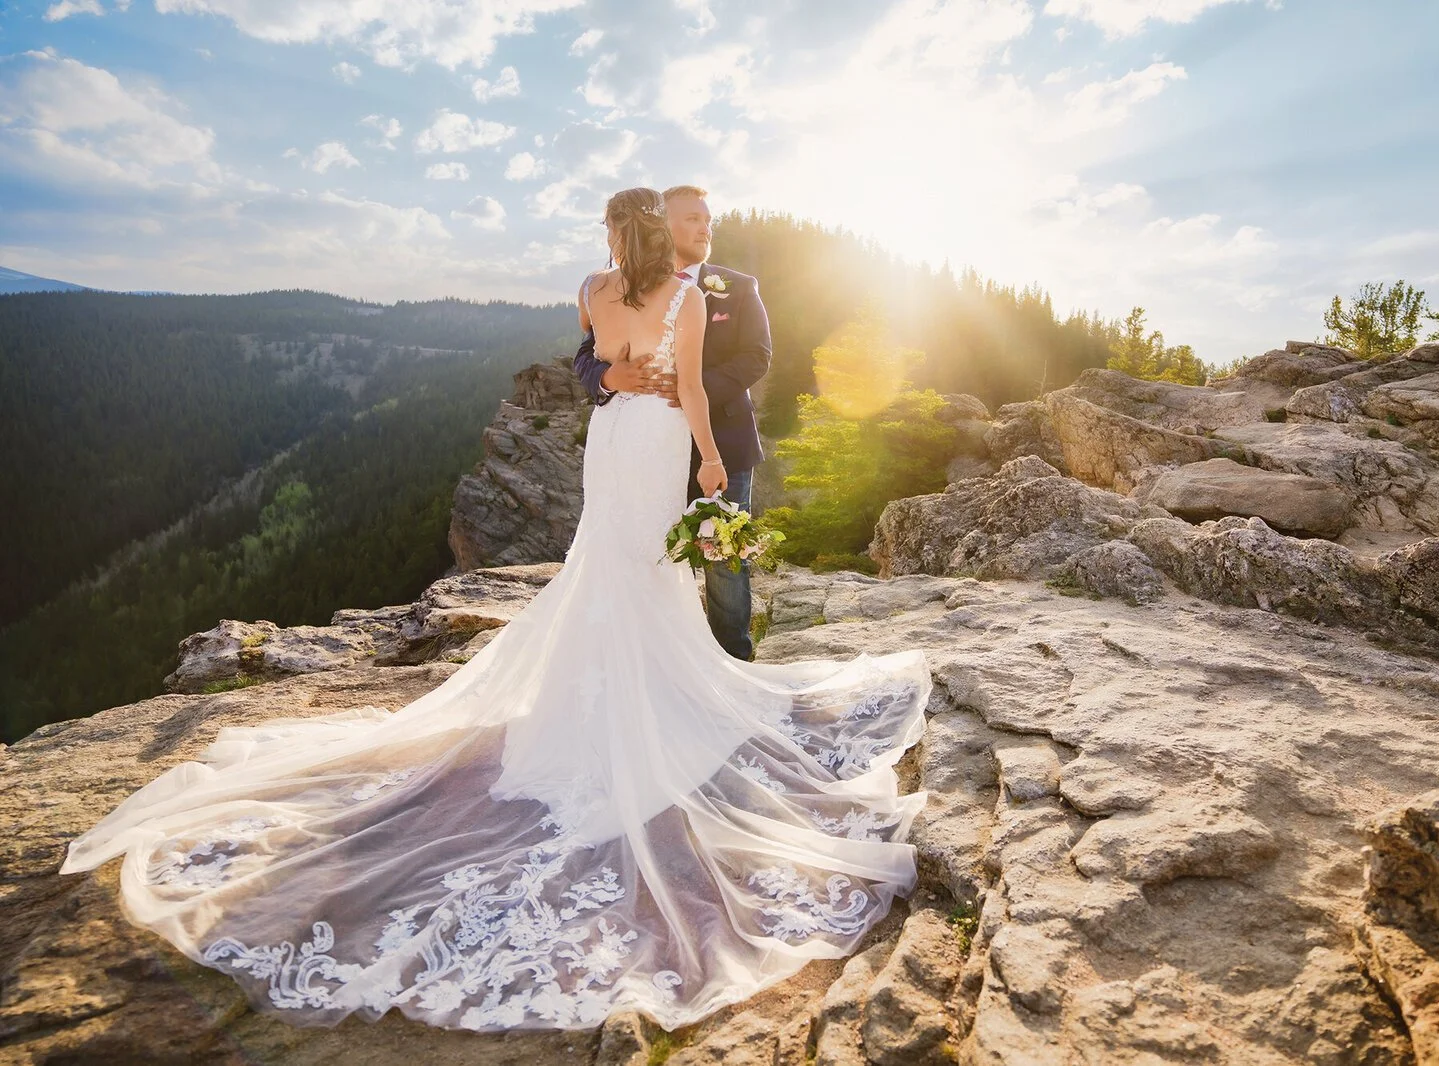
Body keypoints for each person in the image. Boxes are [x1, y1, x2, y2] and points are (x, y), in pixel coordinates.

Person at [58, 187, 931, 1036]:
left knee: (608, 565)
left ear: (612, 236)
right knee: (644, 569)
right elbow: (678, 388)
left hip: (615, 443)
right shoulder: (687, 296)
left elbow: (615, 362)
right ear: (660, 235)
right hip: (660, 438)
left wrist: (623, 377)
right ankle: (665, 695)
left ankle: (619, 691)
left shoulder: (593, 288)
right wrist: (706, 461)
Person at [573, 184, 769, 661]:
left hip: (718, 437)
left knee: (722, 559)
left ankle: (731, 659)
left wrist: (681, 391)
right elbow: (585, 355)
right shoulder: (628, 287)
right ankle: (666, 660)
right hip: (650, 441)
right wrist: (609, 376)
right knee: (645, 546)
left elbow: (757, 358)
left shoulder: (736, 286)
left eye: (708, 220)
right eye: (692, 219)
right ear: (662, 224)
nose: (704, 227)